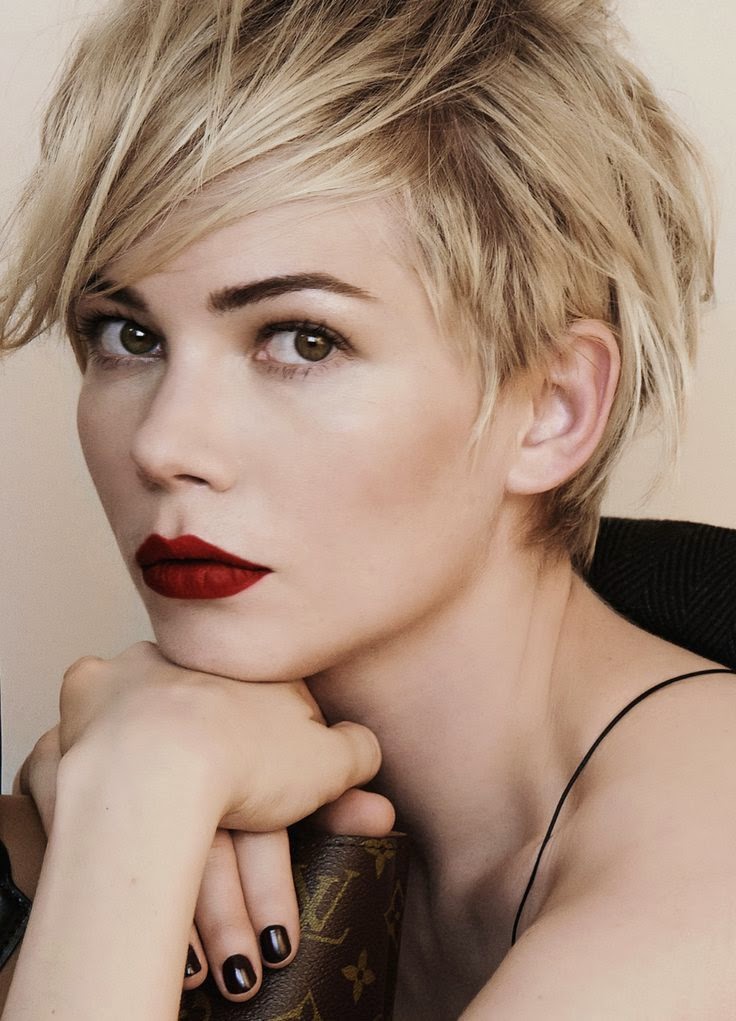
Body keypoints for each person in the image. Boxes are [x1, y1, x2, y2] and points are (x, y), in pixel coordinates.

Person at [0, 0, 734, 1017]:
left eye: (302, 340)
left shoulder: (706, 871)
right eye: (128, 335)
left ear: (552, 407)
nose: (163, 445)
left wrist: (136, 796)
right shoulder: (158, 772)